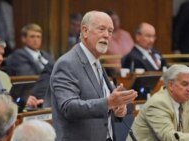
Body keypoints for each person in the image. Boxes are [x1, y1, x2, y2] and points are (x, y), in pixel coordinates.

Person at [50, 10, 137, 141]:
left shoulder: (96, 62)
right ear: (85, 31)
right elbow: (68, 107)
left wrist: (119, 108)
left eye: (110, 31)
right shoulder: (67, 63)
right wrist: (108, 103)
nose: (107, 35)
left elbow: (103, 101)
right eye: (101, 29)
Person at [128, 64, 189, 141]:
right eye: (185, 84)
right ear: (171, 85)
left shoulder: (188, 101)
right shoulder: (158, 103)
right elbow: (169, 137)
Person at [104, 10, 134, 76]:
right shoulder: (103, 36)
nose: (115, 21)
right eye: (112, 19)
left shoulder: (126, 35)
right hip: (112, 73)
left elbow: (134, 52)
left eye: (116, 19)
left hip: (130, 72)